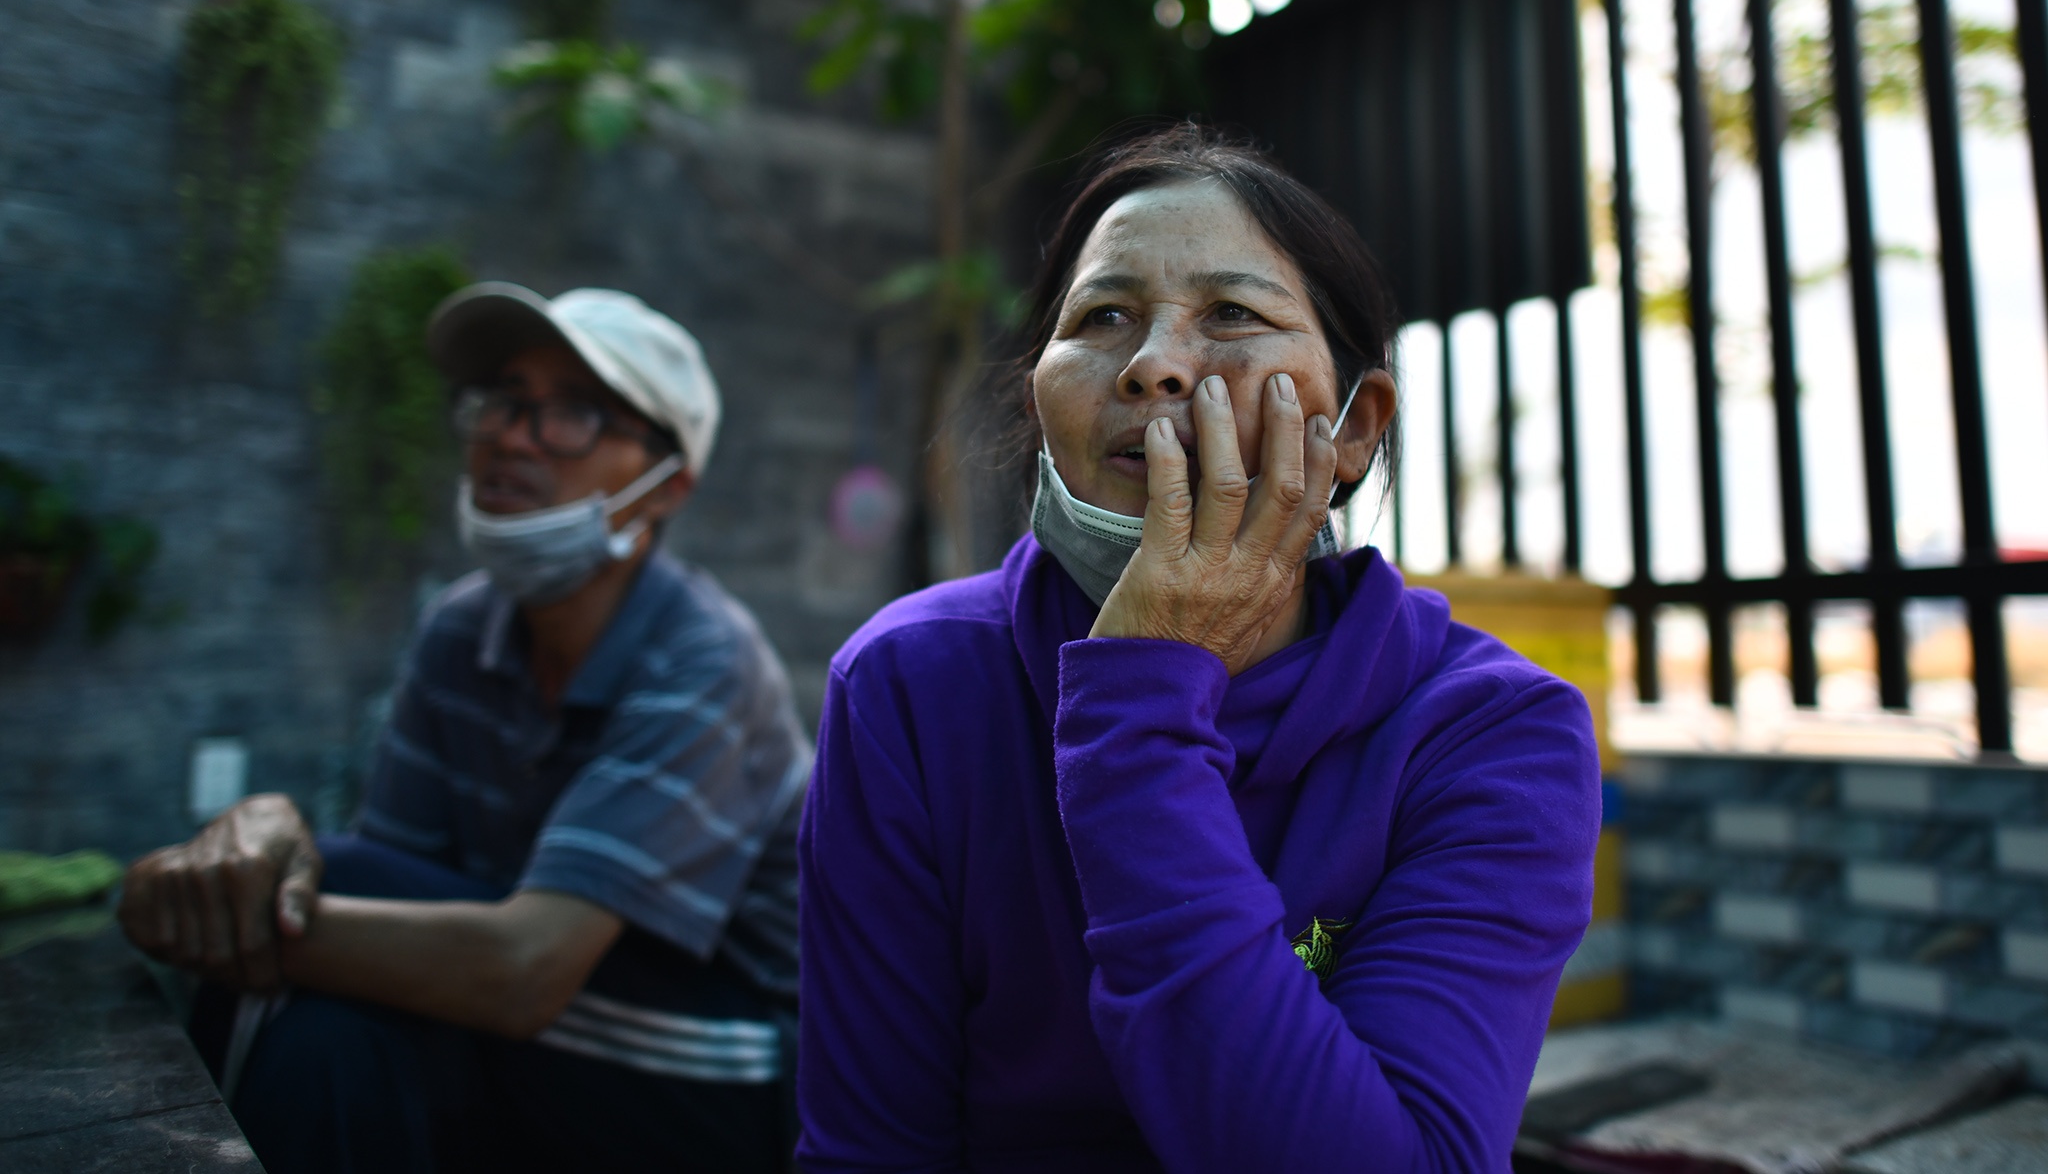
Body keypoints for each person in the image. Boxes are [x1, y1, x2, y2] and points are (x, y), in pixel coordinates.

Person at [797, 126, 1601, 1172]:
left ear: (1355, 426)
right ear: (1040, 399)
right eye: (1102, 318)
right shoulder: (909, 685)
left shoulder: (1490, 730)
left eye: (1229, 314)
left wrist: (1137, 709)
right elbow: (870, 1149)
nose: (1152, 367)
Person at [120, 283, 812, 1174]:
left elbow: (526, 970)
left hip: (723, 1065)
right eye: (502, 401)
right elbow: (402, 895)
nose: (510, 435)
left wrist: (220, 919)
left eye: (571, 415)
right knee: (330, 1029)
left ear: (665, 484)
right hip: (542, 1031)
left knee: (310, 935)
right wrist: (265, 841)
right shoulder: (460, 630)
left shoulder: (706, 660)